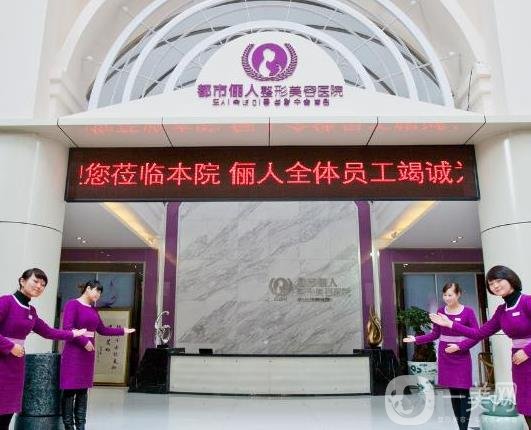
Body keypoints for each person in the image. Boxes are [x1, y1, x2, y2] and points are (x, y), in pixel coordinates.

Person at [430, 265, 531, 429]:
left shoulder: (527, 302)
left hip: (526, 355)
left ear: (511, 279)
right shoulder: (502, 310)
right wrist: (450, 324)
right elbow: (479, 333)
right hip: (519, 361)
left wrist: (527, 351)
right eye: (491, 283)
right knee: (526, 406)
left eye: (498, 280)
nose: (495, 286)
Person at [0, 268, 86, 430]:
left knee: (6, 413)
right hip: (2, 361)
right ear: (22, 281)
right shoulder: (6, 302)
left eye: (43, 284)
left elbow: (48, 332)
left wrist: (73, 334)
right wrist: (10, 346)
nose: (39, 286)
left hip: (15, 366)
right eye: (35, 281)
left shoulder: (31, 311)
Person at [60, 280, 135, 430]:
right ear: (88, 288)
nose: (98, 295)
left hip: (88, 354)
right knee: (69, 389)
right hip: (73, 352)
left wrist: (123, 331)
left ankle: (81, 426)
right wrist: (84, 342)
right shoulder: (72, 304)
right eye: (97, 291)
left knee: (83, 390)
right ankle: (68, 426)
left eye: (100, 293)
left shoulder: (94, 310)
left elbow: (102, 330)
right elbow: (67, 328)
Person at [403, 282, 479, 430]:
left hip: (462, 355)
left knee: (463, 391)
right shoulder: (440, 311)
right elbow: (435, 334)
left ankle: (464, 427)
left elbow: (476, 335)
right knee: (453, 391)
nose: (447, 298)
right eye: (445, 295)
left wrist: (460, 346)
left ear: (458, 294)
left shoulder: (468, 312)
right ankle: (460, 426)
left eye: (450, 295)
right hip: (446, 356)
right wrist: (416, 339)